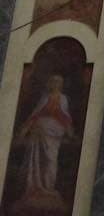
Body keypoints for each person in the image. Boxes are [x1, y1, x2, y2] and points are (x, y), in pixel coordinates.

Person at [14, 73, 74, 207]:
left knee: (51, 160)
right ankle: (36, 186)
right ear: (50, 83)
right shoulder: (45, 97)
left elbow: (66, 117)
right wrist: (24, 131)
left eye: (58, 82)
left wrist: (69, 130)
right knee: (37, 158)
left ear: (61, 85)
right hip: (39, 132)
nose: (56, 84)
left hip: (55, 133)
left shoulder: (63, 99)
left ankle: (48, 187)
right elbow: (36, 114)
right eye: (54, 82)